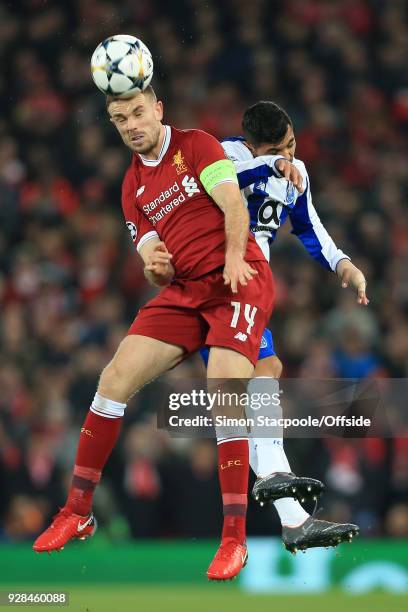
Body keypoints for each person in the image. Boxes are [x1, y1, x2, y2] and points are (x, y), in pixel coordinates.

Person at [33, 84, 280, 581]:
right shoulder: (132, 188)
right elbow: (151, 258)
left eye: (138, 113)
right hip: (187, 289)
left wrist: (234, 254)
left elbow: (233, 205)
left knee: (226, 392)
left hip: (239, 280)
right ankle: (77, 511)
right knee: (113, 380)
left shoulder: (198, 145)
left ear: (158, 109)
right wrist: (155, 270)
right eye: (121, 119)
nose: (131, 125)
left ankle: (234, 539)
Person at [200, 100, 367, 553]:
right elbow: (222, 186)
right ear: (252, 144)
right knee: (266, 370)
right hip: (218, 278)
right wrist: (268, 164)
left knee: (250, 387)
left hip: (253, 293)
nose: (290, 157)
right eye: (280, 149)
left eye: (292, 146)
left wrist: (343, 265)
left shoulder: (298, 173)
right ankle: (275, 476)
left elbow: (310, 227)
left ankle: (293, 519)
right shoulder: (223, 157)